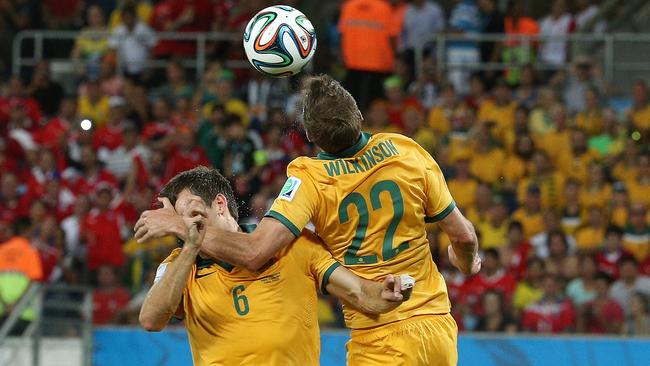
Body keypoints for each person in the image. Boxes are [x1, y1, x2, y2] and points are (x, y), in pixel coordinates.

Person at [136, 75, 481, 365]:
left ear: (312, 138)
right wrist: (464, 265)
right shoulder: (408, 150)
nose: (182, 221)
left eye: (187, 210)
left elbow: (257, 251)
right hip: (436, 324)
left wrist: (181, 227)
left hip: (379, 339)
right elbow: (464, 238)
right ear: (358, 114)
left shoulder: (309, 185)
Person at [138, 167, 405, 365]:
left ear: (219, 204)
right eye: (177, 221)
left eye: (190, 213)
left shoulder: (293, 244)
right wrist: (190, 248)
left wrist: (386, 293)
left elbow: (359, 293)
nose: (183, 226)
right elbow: (151, 320)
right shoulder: (180, 264)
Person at [338, 0, 399, 111]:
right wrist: (395, 56)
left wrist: (343, 56)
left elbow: (342, 34)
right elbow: (392, 37)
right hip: (379, 64)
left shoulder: (348, 6)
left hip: (353, 63)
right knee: (377, 105)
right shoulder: (385, 8)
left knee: (352, 104)